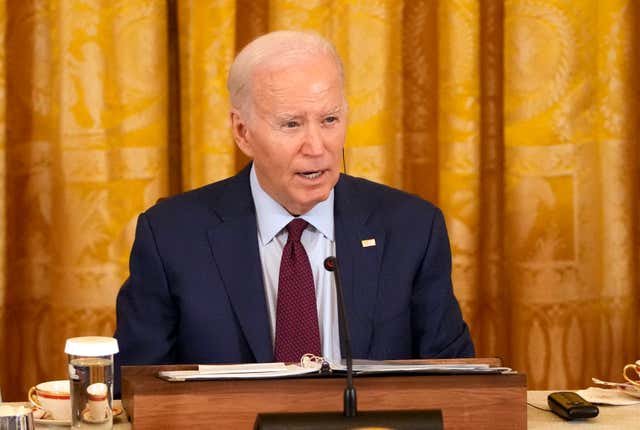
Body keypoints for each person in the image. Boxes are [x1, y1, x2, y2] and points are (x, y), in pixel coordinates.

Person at [114, 30, 474, 396]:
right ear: (242, 132)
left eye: (330, 120)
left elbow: (456, 385)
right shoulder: (172, 236)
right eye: (291, 124)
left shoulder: (411, 229)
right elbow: (135, 389)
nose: (317, 147)